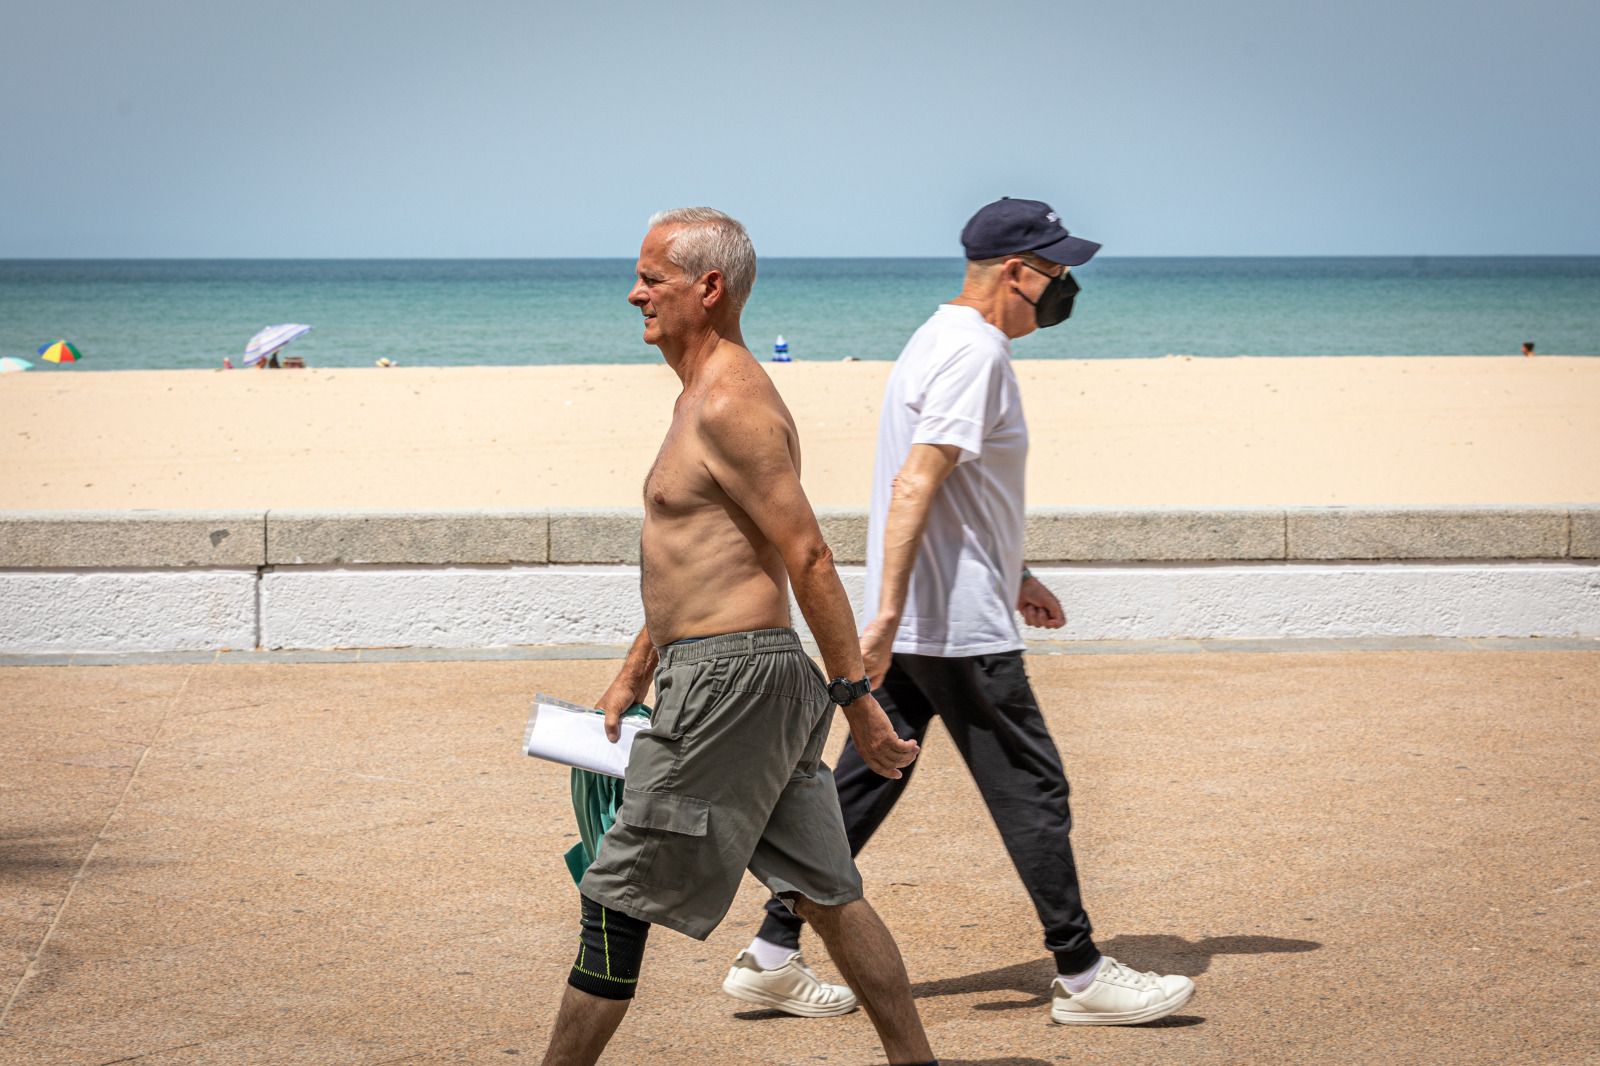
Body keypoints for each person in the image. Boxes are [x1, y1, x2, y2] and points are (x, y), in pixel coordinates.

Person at [722, 197, 1196, 1028]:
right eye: (1057, 270)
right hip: (951, 627)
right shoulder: (975, 353)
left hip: (930, 618)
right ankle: (1083, 975)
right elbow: (916, 482)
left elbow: (956, 494)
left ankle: (769, 954)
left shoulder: (937, 338)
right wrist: (884, 619)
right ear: (1018, 272)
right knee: (1032, 786)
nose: (1066, 286)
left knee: (870, 778)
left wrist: (1016, 570)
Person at [539, 208, 936, 1066]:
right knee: (829, 895)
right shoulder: (701, 395)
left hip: (730, 684)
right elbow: (704, 564)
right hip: (738, 677)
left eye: (653, 277)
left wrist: (859, 702)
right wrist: (631, 676)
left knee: (616, 889)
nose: (635, 292)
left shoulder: (729, 402)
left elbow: (807, 554)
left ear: (708, 288)